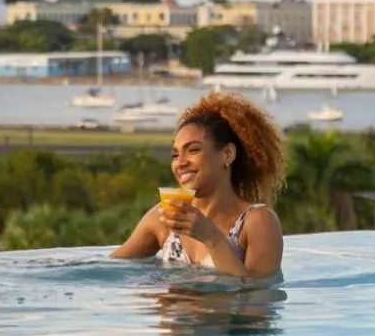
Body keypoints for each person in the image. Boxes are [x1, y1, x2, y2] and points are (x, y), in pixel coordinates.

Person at [112, 92, 286, 278]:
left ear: (227, 154)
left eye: (193, 150)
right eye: (175, 154)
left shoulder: (258, 222)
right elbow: (109, 270)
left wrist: (211, 237)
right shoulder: (165, 217)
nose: (180, 162)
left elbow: (257, 297)